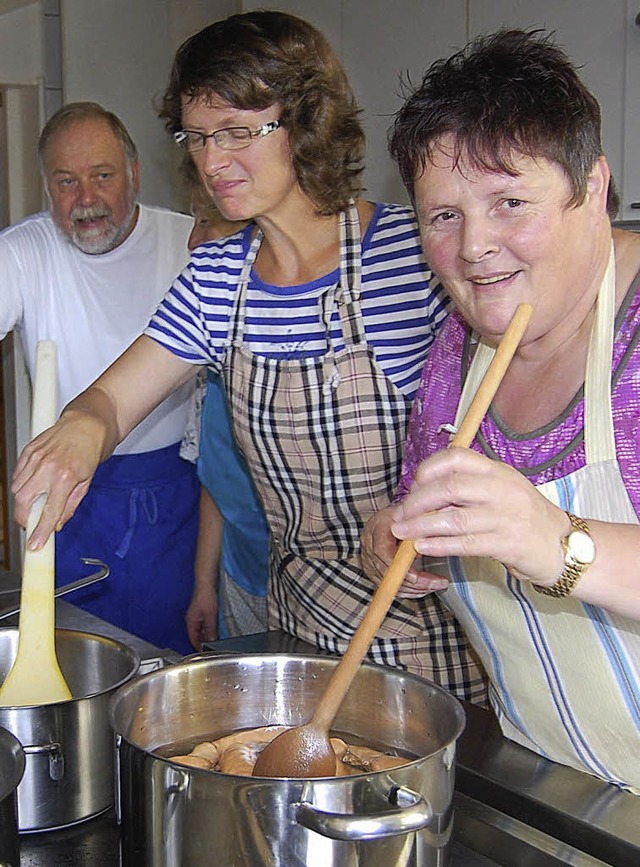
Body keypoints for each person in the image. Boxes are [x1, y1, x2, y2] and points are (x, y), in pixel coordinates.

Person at [11, 11, 487, 704]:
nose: (211, 161)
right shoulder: (216, 281)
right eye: (199, 136)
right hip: (299, 642)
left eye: (239, 131)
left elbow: (502, 435)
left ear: (307, 120)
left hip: (435, 647)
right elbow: (112, 400)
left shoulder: (413, 258)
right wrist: (79, 431)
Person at [360, 29, 640, 792]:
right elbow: (423, 516)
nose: (475, 247)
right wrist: (394, 535)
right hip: (558, 787)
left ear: (593, 186)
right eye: (442, 216)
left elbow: (543, 538)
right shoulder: (458, 354)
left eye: (509, 202)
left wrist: (558, 541)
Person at [0, 101, 199, 654]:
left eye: (102, 176)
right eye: (66, 182)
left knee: (165, 666)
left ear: (133, 173)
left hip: (171, 493)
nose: (85, 199)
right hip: (68, 495)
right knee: (68, 653)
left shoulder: (190, 245)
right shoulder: (23, 252)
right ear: (46, 187)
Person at [181, 182, 269, 647]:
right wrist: (204, 587)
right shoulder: (208, 357)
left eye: (206, 222)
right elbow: (215, 481)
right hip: (241, 578)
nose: (192, 241)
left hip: (312, 593)